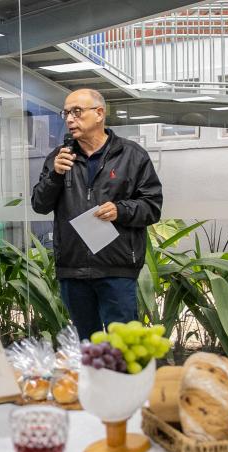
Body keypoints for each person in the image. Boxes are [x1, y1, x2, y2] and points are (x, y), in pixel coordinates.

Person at [32, 88, 163, 340]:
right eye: (66, 113)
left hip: (117, 268)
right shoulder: (59, 158)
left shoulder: (132, 156)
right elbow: (39, 204)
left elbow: (152, 206)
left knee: (124, 348)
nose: (70, 119)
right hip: (73, 270)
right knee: (88, 349)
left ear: (100, 113)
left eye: (77, 112)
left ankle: (127, 382)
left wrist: (121, 210)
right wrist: (55, 175)